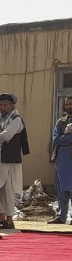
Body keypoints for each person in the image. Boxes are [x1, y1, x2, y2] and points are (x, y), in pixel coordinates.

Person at [0, 93, 28, 230]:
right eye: (1, 105)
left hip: (8, 160)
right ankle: (0, 217)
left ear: (12, 105)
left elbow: (7, 135)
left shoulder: (16, 119)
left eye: (5, 105)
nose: (2, 107)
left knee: (8, 189)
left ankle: (9, 219)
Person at [50, 95, 72, 224]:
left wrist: (65, 137)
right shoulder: (61, 122)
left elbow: (60, 139)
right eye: (67, 104)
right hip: (62, 160)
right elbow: (56, 139)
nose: (69, 106)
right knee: (62, 189)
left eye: (71, 104)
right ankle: (61, 216)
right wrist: (68, 138)